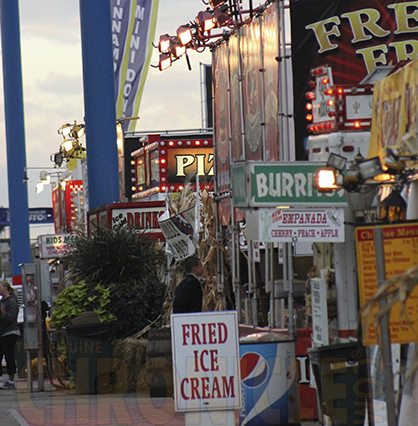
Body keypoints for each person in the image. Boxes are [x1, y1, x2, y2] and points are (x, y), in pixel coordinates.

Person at [0, 281, 20, 389]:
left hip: (10, 332)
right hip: (2, 332)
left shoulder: (11, 302)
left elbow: (9, 318)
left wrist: (1, 313)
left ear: (5, 288)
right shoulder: (2, 301)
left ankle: (11, 380)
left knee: (9, 356)